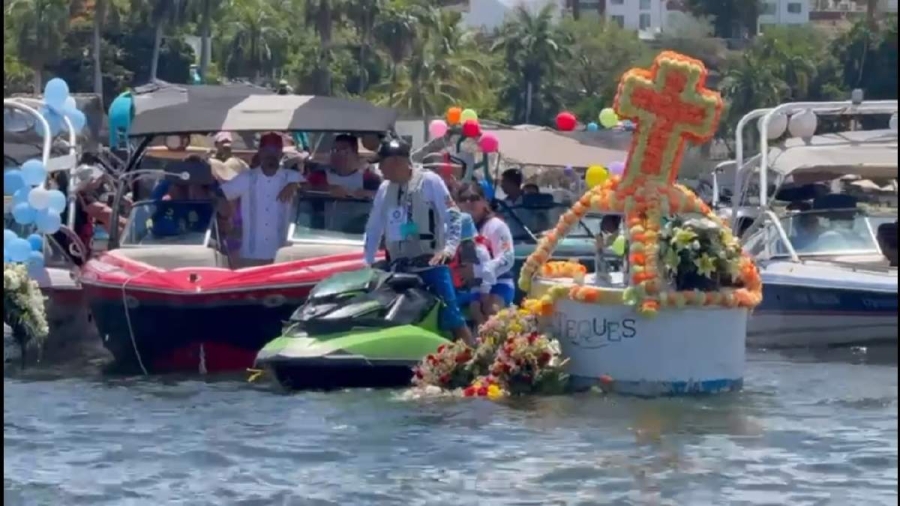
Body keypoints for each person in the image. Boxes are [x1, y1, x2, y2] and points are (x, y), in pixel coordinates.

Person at [363, 138, 473, 345]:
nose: (379, 168)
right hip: (398, 268)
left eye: (382, 163)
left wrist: (449, 249)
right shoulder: (384, 189)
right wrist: (367, 263)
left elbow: (454, 215)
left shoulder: (429, 181)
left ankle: (475, 362)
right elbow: (374, 227)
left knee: (452, 316)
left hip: (430, 264)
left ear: (396, 161)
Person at [218, 132, 304, 268]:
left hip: (283, 255)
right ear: (260, 152)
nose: (271, 155)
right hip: (251, 255)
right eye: (267, 150)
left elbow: (310, 186)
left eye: (275, 150)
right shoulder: (247, 178)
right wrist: (226, 219)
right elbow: (221, 194)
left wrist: (295, 184)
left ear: (281, 153)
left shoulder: (291, 177)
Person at [456, 182, 516, 317]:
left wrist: (477, 271)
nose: (468, 202)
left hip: (499, 283)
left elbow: (507, 258)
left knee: (491, 312)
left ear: (484, 202)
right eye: (463, 199)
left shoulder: (496, 226)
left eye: (474, 198)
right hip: (472, 288)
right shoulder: (459, 228)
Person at [307, 133, 382, 198]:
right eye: (334, 150)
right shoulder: (319, 176)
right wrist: (328, 189)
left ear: (354, 153)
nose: (337, 155)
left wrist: (368, 193)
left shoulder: (369, 178)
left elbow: (383, 195)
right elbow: (303, 188)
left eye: (344, 151)